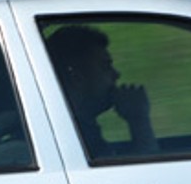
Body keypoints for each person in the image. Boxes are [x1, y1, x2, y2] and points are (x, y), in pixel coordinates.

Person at [45, 25, 158, 158]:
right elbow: (144, 175)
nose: (116, 74)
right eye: (105, 66)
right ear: (76, 77)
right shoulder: (69, 136)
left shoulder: (79, 129)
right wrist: (139, 120)